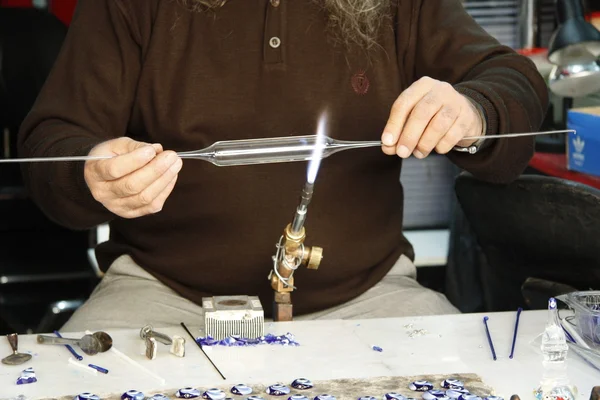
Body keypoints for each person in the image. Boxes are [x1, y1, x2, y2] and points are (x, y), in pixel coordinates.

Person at [17, 0, 548, 332]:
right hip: (158, 298)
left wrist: (472, 111)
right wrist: (88, 172)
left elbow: (515, 81)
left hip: (372, 298)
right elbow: (51, 138)